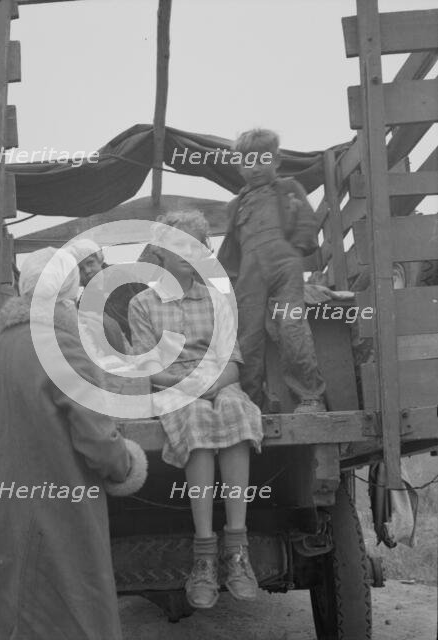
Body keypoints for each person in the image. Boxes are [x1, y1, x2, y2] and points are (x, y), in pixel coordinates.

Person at [0, 247, 148, 640]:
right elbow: (97, 438)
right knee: (73, 618)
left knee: (17, 617)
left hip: (10, 516)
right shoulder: (61, 345)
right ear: (65, 298)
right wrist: (127, 465)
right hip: (57, 517)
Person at [128, 211, 263, 609]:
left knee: (237, 413)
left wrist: (210, 384)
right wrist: (189, 388)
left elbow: (232, 362)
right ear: (160, 253)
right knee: (196, 419)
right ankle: (204, 552)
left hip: (220, 382)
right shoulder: (142, 304)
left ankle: (237, 549)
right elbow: (148, 370)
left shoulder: (219, 300)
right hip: (173, 389)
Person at [217, 128, 326, 413]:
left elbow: (306, 223)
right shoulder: (235, 205)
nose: (255, 168)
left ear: (276, 160)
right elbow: (231, 248)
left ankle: (310, 396)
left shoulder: (289, 188)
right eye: (247, 162)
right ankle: (253, 402)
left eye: (262, 160)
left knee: (291, 326)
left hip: (284, 266)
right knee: (247, 337)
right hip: (250, 275)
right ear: (239, 167)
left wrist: (296, 252)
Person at [68, 239, 148, 346]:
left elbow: (153, 305)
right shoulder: (84, 303)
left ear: (100, 259)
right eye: (80, 269)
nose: (87, 271)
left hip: (149, 341)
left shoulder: (126, 278)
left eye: (90, 263)